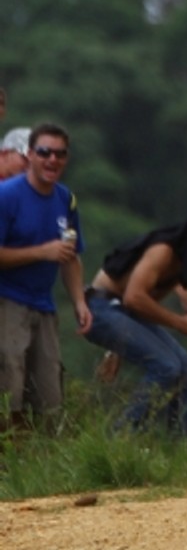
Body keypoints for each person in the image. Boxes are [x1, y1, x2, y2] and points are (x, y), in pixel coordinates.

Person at [82, 204, 187, 433]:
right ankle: (120, 436)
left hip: (123, 312)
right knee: (166, 366)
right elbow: (133, 297)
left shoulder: (185, 261)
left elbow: (139, 305)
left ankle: (184, 449)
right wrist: (180, 323)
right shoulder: (164, 250)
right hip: (101, 307)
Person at [0, 123, 91, 429]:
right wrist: (42, 252)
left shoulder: (66, 200)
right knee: (7, 393)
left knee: (48, 400)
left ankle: (38, 471)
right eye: (45, 152)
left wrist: (79, 301)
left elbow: (70, 255)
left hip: (45, 306)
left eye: (60, 154)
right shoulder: (7, 196)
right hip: (8, 302)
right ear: (30, 155)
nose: (52, 160)